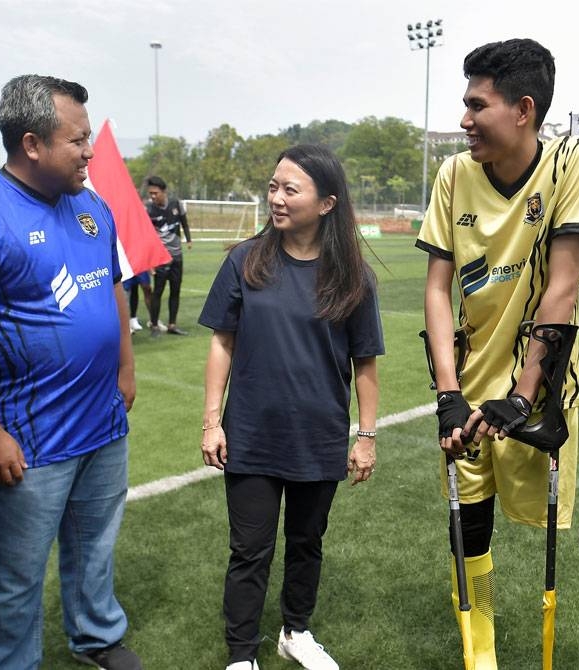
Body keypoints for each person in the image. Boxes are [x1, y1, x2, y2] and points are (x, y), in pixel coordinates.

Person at [0, 74, 141, 670]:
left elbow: (112, 284)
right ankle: (7, 663)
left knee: (94, 547)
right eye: (77, 140)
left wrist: (125, 365)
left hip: (102, 421)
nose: (90, 151)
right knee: (15, 574)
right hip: (29, 438)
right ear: (32, 143)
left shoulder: (91, 204)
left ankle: (95, 635)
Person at [416, 38, 579, 668]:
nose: (464, 119)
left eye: (477, 104)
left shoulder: (574, 161)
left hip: (537, 388)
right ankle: (481, 656)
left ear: (523, 109)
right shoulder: (452, 174)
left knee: (535, 522)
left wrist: (523, 394)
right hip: (468, 386)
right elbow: (438, 288)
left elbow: (564, 284)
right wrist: (448, 393)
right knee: (467, 526)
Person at [200, 144, 383, 670]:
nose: (276, 198)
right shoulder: (244, 260)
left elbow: (366, 363)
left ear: (326, 203)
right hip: (252, 433)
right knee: (249, 550)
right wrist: (212, 421)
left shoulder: (352, 277)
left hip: (319, 435)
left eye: (290, 189)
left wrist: (365, 437)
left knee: (307, 542)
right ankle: (241, 655)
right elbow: (222, 344)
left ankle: (295, 632)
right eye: (273, 187)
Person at [146, 176, 192, 336]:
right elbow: (147, 236)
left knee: (175, 290)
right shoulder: (149, 210)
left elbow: (184, 222)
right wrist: (150, 261)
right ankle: (154, 326)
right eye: (150, 193)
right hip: (161, 258)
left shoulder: (176, 204)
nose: (152, 196)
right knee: (157, 292)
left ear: (163, 192)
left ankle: (172, 325)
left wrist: (189, 240)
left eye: (155, 193)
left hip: (177, 256)